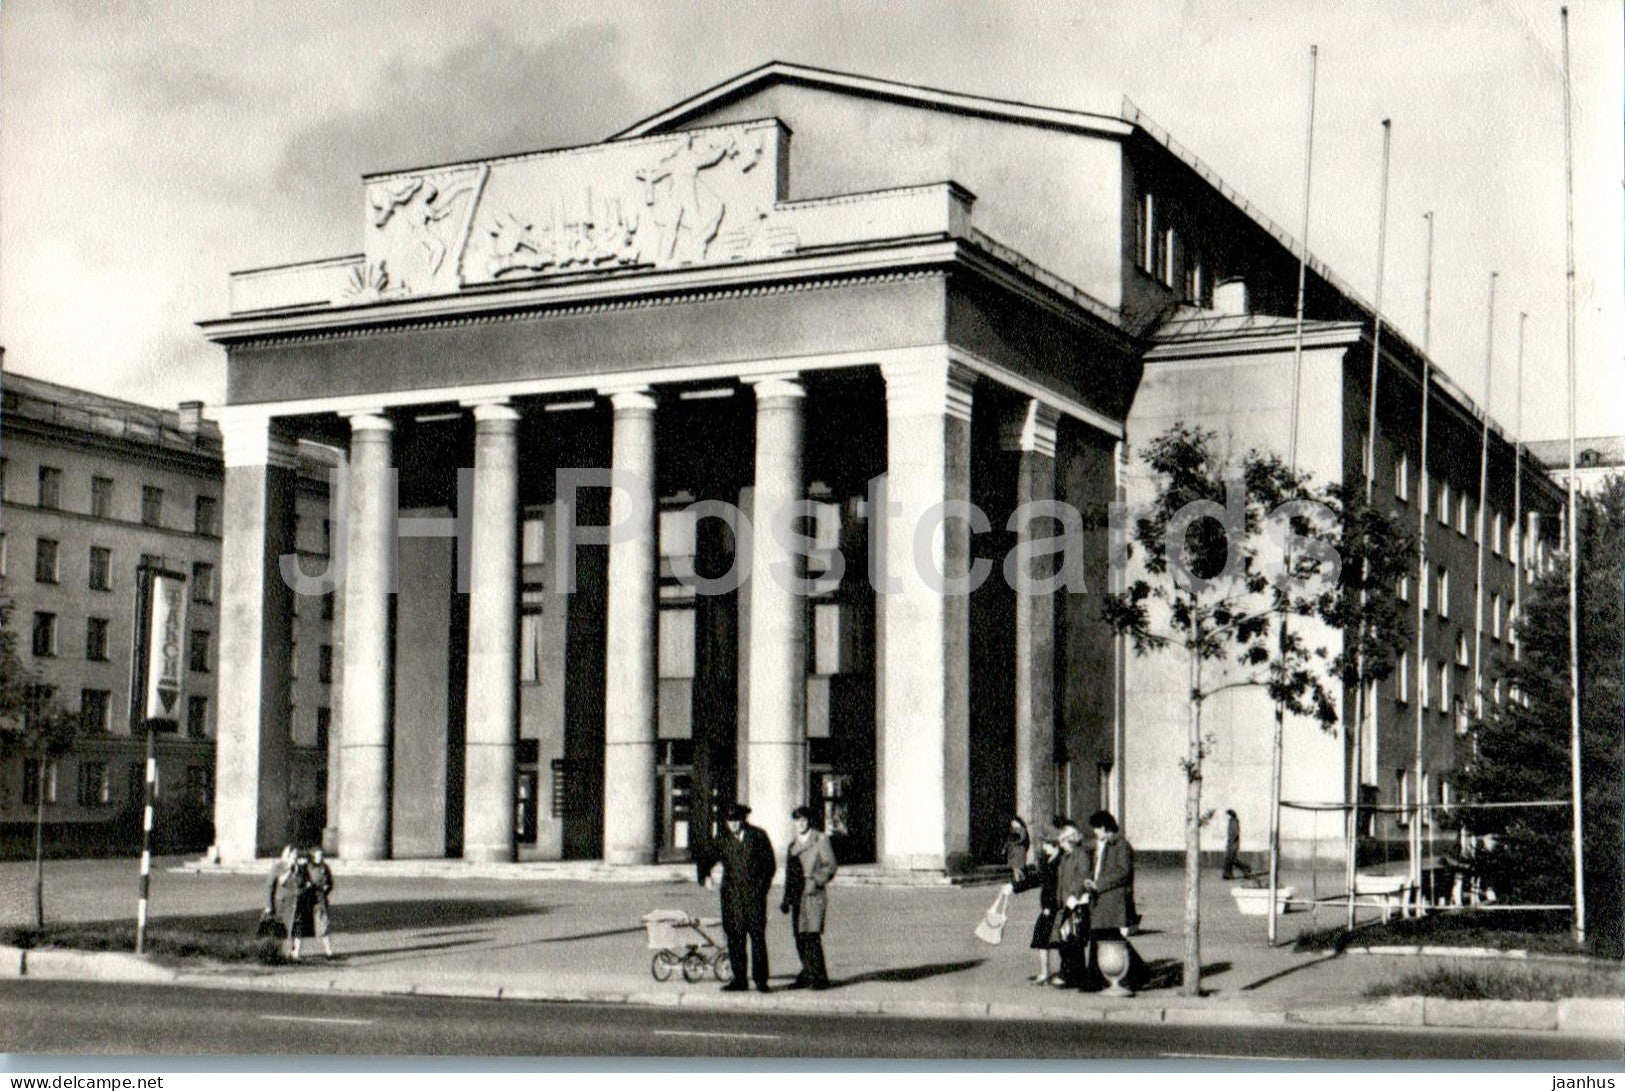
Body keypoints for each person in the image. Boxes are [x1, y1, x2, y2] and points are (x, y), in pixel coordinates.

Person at [715, 802, 776, 992]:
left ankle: (761, 980)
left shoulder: (758, 836)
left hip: (754, 898)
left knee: (757, 940)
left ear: (743, 819)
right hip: (732, 899)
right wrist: (705, 876)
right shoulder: (722, 839)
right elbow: (705, 856)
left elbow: (769, 866)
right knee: (735, 940)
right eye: (729, 821)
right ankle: (739, 980)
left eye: (736, 820)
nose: (732, 824)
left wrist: (761, 890)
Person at [781, 805, 838, 990]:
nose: (801, 824)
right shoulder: (793, 845)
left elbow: (830, 866)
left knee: (812, 935)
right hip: (797, 894)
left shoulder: (820, 839)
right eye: (797, 820)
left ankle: (820, 978)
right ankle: (807, 973)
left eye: (804, 820)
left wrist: (816, 880)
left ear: (809, 821)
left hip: (813, 893)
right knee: (799, 936)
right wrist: (786, 899)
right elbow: (790, 874)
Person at [1084, 810, 1140, 990]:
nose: (1095, 832)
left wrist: (1099, 883)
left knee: (1102, 935)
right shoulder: (1103, 844)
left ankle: (1095, 979)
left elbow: (1123, 872)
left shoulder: (1120, 845)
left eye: (1097, 828)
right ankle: (1135, 973)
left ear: (1105, 827)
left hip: (1113, 899)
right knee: (1108, 936)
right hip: (1102, 898)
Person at [1008, 823, 1064, 985]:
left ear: (1054, 845)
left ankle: (1062, 972)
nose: (1044, 847)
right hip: (1047, 906)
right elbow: (1037, 879)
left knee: (1059, 940)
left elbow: (1058, 886)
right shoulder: (1048, 860)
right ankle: (1045, 972)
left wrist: (1051, 907)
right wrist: (1015, 887)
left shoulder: (1061, 861)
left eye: (1046, 844)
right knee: (1042, 938)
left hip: (1055, 906)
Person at [1052, 820, 1092, 987]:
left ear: (1071, 840)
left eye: (1062, 841)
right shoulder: (1065, 857)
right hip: (1065, 903)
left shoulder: (1081, 855)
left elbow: (1083, 877)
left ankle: (1072, 975)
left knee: (1073, 941)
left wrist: (1073, 896)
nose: (1060, 845)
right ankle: (1071, 973)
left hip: (1076, 904)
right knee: (1064, 939)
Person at [267, 845, 310, 960]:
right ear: (287, 855)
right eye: (293, 855)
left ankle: (296, 954)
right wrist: (289, 870)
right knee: (285, 927)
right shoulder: (279, 866)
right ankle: (282, 952)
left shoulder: (301, 868)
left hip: (298, 901)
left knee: (298, 927)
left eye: (296, 855)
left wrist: (305, 887)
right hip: (284, 902)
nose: (295, 858)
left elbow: (305, 882)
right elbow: (281, 882)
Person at [304, 847, 336, 959]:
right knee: (301, 927)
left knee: (324, 925)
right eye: (318, 855)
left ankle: (329, 952)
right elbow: (303, 881)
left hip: (321, 900)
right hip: (308, 900)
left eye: (321, 854)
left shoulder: (325, 867)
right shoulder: (307, 867)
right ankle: (294, 953)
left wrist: (327, 888)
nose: (320, 856)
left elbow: (330, 882)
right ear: (313, 856)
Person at [1002, 817, 1031, 884]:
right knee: (1016, 868)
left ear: (1018, 822)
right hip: (1013, 852)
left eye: (1014, 822)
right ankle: (1020, 881)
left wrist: (1014, 841)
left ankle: (1021, 881)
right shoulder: (1013, 831)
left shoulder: (1022, 830)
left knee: (1018, 868)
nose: (1012, 824)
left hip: (1019, 851)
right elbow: (1008, 841)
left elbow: (1023, 839)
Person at [1223, 809, 1250, 880]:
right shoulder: (1232, 822)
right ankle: (1228, 874)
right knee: (1231, 860)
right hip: (1231, 844)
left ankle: (1245, 869)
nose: (1225, 817)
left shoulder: (1233, 822)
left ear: (1230, 815)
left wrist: (1231, 843)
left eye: (1227, 815)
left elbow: (1235, 833)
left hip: (1233, 844)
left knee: (1231, 860)